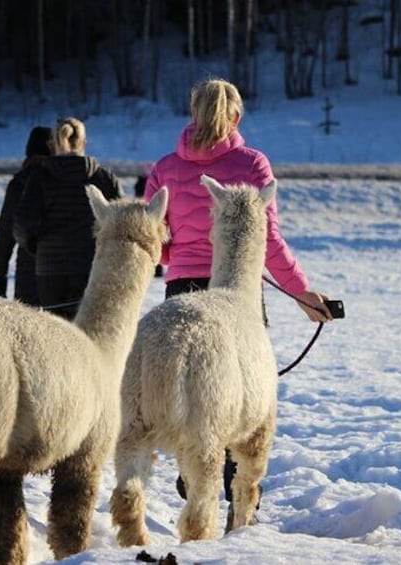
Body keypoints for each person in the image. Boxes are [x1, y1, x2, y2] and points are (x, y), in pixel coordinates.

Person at [143, 78, 333, 526]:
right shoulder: (252, 163)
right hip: (240, 295)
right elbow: (268, 239)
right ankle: (236, 498)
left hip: (183, 293)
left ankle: (194, 477)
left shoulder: (165, 167)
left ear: (193, 113)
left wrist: (177, 253)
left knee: (188, 396)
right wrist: (303, 293)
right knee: (244, 394)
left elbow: (156, 239)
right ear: (236, 116)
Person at [14, 117, 123, 320]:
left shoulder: (39, 178)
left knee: (56, 331)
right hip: (91, 267)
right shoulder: (104, 178)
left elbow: (22, 225)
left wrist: (38, 248)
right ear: (84, 143)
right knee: (86, 332)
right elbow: (122, 224)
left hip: (50, 270)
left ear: (55, 142)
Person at [0, 126, 53, 304]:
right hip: (60, 269)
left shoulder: (19, 182)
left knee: (27, 324)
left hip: (27, 269)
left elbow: (5, 232)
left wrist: (0, 273)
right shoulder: (61, 180)